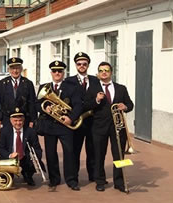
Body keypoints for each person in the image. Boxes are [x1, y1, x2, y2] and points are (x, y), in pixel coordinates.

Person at [84, 62, 133, 193]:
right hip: (99, 127)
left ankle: (119, 182)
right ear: (98, 73)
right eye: (101, 70)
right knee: (99, 154)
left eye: (106, 70)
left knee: (118, 155)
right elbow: (86, 105)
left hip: (117, 127)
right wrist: (97, 100)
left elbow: (130, 104)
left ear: (111, 72)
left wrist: (125, 107)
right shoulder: (93, 89)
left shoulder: (121, 88)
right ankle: (100, 181)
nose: (104, 72)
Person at [35, 60, 82, 191]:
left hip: (65, 126)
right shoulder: (44, 86)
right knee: (50, 153)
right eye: (54, 71)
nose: (57, 73)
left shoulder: (72, 87)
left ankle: (71, 180)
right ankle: (54, 179)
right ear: (51, 72)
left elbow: (78, 105)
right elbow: (37, 103)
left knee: (69, 152)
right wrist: (46, 109)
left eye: (59, 71)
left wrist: (71, 118)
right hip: (49, 125)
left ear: (63, 72)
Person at [65, 52, 99, 182]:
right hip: (77, 121)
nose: (82, 66)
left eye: (84, 64)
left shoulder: (95, 80)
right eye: (79, 64)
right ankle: (73, 178)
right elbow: (67, 100)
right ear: (75, 65)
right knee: (75, 151)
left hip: (92, 121)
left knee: (92, 150)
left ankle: (93, 176)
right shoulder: (69, 81)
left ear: (88, 65)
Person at [0, 108, 43, 187]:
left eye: (20, 120)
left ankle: (28, 175)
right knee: (7, 178)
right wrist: (9, 155)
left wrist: (36, 159)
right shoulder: (4, 131)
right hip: (10, 158)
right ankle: (9, 174)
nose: (18, 123)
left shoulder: (31, 132)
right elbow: (0, 148)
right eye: (15, 120)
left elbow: (37, 149)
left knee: (31, 163)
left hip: (25, 159)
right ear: (11, 120)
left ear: (24, 120)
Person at [0, 57, 37, 129]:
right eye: (12, 68)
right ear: (9, 70)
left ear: (21, 69)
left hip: (23, 119)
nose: (15, 71)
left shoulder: (28, 83)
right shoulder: (3, 83)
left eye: (17, 68)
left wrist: (33, 120)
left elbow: (32, 102)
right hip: (7, 118)